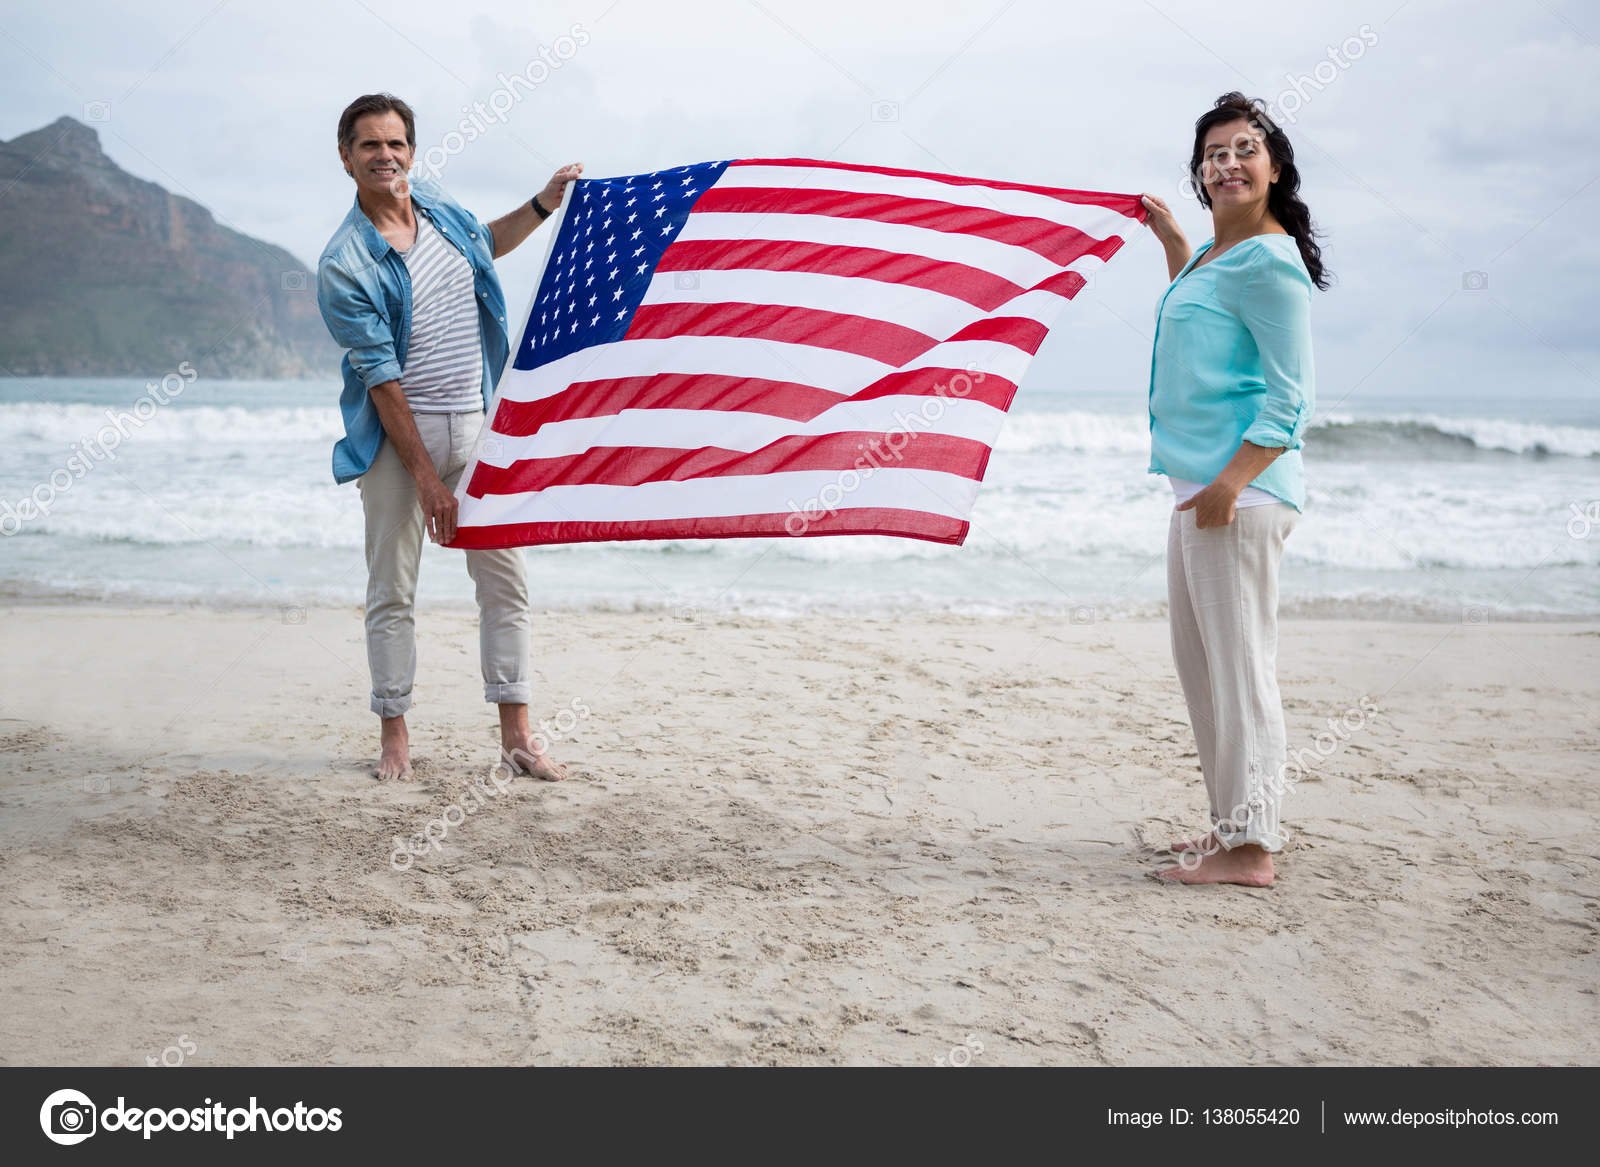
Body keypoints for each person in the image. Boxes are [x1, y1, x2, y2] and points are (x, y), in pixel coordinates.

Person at [316, 92, 582, 782]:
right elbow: (382, 382)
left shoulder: (433, 204)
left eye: (396, 143)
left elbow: (485, 245)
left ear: (411, 149)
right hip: (399, 442)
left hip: (477, 421)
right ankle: (395, 737)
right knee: (393, 590)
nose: (385, 156)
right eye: (369, 145)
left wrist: (544, 203)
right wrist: (429, 480)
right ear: (345, 157)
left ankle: (518, 736)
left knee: (505, 581)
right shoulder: (346, 262)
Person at [1138, 91, 1330, 887]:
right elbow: (1206, 317)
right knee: (1204, 666)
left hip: (1238, 496)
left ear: (1274, 167)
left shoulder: (1272, 263)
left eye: (1244, 149)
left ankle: (1251, 847)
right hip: (1203, 489)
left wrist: (1230, 484)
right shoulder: (1222, 259)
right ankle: (1232, 828)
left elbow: (1292, 398)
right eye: (1214, 154)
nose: (1228, 163)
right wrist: (1175, 243)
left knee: (1241, 669)